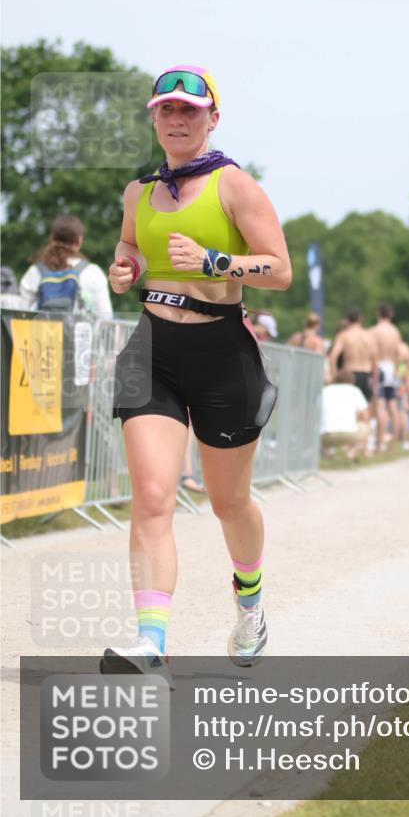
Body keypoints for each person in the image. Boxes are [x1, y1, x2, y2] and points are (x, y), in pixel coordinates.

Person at [105, 65, 291, 674]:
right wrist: (124, 269)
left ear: (213, 117)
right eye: (166, 110)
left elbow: (280, 270)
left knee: (227, 502)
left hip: (221, 355)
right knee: (152, 498)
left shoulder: (236, 187)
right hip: (152, 350)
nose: (177, 119)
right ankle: (150, 643)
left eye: (190, 109)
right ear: (154, 118)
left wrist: (217, 262)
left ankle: (251, 603)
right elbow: (130, 248)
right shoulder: (138, 192)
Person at [19, 215, 113, 318]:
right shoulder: (93, 273)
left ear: (52, 239)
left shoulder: (34, 271)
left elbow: (21, 314)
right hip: (80, 332)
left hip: (42, 332)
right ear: (79, 241)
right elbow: (106, 316)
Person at [368, 303, 403, 452]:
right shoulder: (395, 332)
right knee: (393, 407)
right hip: (392, 367)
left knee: (380, 406)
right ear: (391, 314)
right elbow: (398, 353)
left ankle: (379, 443)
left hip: (380, 366)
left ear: (378, 313)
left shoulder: (374, 331)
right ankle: (393, 443)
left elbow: (371, 352)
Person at [329, 308, 377, 404]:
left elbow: (332, 357)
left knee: (347, 406)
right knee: (364, 408)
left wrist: (334, 375)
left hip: (349, 374)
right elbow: (375, 361)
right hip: (366, 374)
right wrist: (375, 380)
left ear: (347, 320)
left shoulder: (344, 335)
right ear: (361, 319)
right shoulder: (369, 336)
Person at [320, 370, 371, 461]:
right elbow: (365, 416)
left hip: (326, 435)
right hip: (350, 435)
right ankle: (352, 452)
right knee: (366, 427)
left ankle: (326, 453)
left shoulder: (325, 390)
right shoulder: (355, 390)